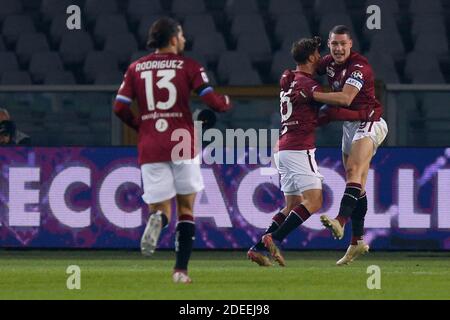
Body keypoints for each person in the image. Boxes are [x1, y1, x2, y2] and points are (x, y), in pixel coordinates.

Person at [113, 17, 232, 283]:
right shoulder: (188, 66)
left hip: (150, 143)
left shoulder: (136, 68)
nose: (184, 40)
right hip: (182, 143)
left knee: (161, 208)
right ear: (172, 39)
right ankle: (180, 271)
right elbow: (211, 100)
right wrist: (224, 104)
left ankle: (157, 219)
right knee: (186, 208)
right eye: (181, 35)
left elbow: (119, 107)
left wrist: (141, 125)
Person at [247, 37, 372, 267]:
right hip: (298, 148)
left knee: (292, 204)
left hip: (284, 148)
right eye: (318, 53)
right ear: (313, 57)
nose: (322, 57)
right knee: (314, 202)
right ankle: (273, 239)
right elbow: (340, 100)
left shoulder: (289, 78)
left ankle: (258, 248)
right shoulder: (307, 84)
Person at [310, 25, 388, 265]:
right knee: (357, 184)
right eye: (334, 44)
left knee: (354, 169)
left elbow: (345, 98)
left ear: (351, 44)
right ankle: (357, 241)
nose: (338, 48)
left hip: (370, 122)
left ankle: (340, 222)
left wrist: (311, 95)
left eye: (343, 44)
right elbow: (310, 67)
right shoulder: (329, 63)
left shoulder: (358, 67)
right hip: (350, 126)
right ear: (329, 45)